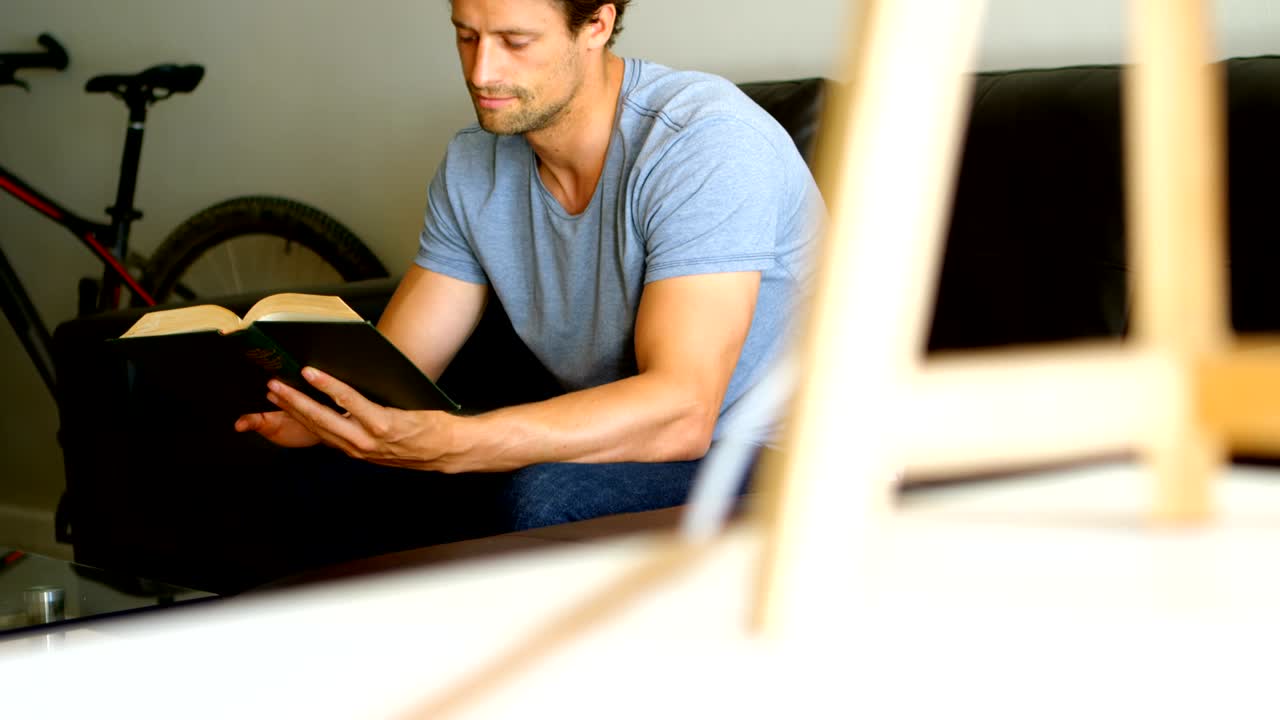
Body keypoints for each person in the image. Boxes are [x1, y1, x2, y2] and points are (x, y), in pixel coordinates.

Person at [235, 0, 824, 534]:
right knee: (309, 479)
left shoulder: (704, 143)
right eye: (467, 37)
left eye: (515, 42)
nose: (481, 71)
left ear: (597, 25)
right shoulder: (474, 164)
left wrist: (462, 442)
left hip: (782, 450)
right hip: (630, 439)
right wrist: (317, 416)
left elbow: (683, 412)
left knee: (546, 498)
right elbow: (399, 370)